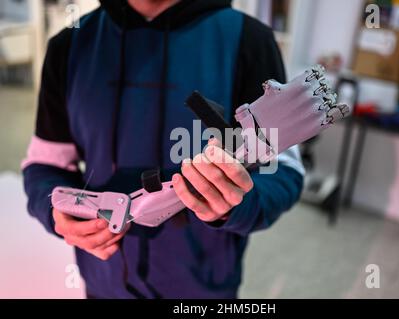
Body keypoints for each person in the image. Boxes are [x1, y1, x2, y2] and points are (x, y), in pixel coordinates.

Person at [22, 0, 304, 298]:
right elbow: (45, 164)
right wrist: (56, 209)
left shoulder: (250, 39)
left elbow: (284, 169)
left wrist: (236, 202)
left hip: (202, 288)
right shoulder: (69, 45)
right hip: (102, 283)